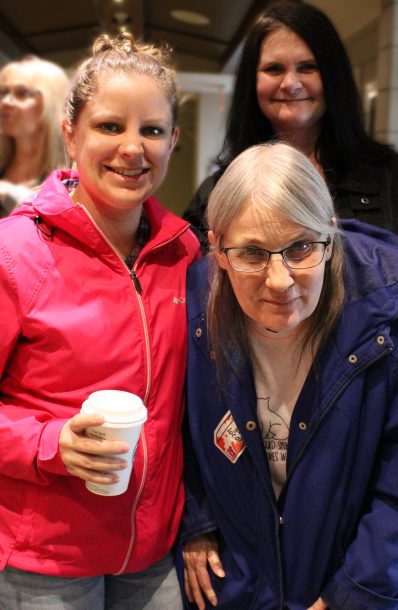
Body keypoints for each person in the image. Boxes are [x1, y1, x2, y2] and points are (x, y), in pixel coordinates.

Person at [181, 142, 398, 610]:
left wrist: (348, 597)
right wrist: (195, 524)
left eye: (301, 247)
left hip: (365, 589)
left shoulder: (391, 313)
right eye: (252, 253)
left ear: (330, 234)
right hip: (243, 585)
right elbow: (180, 431)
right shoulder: (197, 302)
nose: (279, 281)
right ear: (216, 246)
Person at [0, 32, 199, 609]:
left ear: (174, 141)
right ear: (70, 133)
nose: (133, 148)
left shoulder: (184, 254)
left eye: (152, 130)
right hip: (46, 558)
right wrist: (48, 443)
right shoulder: (16, 253)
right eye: (110, 126)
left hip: (155, 549)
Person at [182, 1, 398, 331]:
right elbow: (196, 293)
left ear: (332, 76)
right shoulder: (220, 189)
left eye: (307, 67)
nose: (290, 83)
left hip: (378, 374)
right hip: (261, 373)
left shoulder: (393, 178)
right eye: (274, 69)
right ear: (251, 82)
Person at [0, 54, 69, 216]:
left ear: (51, 103)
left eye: (22, 93)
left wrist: (11, 195)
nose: (6, 102)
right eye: (3, 92)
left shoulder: (70, 179)